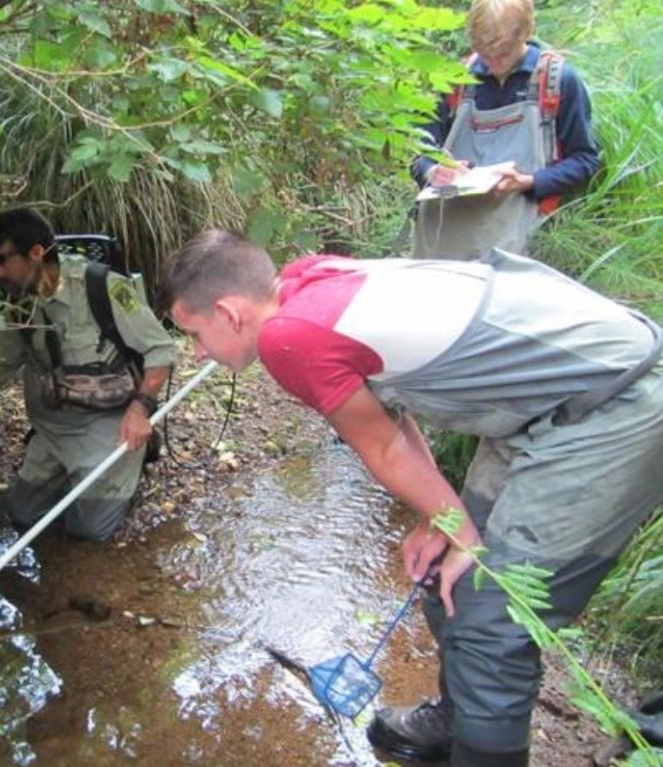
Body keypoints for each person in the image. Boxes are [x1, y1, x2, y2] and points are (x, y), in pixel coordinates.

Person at [163, 230, 663, 767]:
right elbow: (392, 422)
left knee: (493, 621)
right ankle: (461, 720)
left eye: (194, 333)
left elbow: (381, 446)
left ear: (229, 313)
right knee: (447, 577)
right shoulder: (306, 281)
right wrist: (443, 520)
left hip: (616, 404)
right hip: (553, 399)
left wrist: (459, 527)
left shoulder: (288, 338)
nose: (197, 352)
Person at [0, 207, 176, 541]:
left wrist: (140, 409)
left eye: (0, 260)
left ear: (36, 253)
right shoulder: (18, 303)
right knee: (22, 515)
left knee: (88, 530)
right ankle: (72, 475)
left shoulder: (104, 288)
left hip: (108, 425)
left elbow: (161, 350)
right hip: (53, 429)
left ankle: (136, 457)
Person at [412, 0, 601, 259]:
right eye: (485, 53)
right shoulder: (453, 78)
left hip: (517, 236)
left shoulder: (558, 81)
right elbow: (418, 148)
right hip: (444, 234)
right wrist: (432, 169)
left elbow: (585, 160)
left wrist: (532, 182)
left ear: (525, 32)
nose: (494, 63)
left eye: (503, 54)